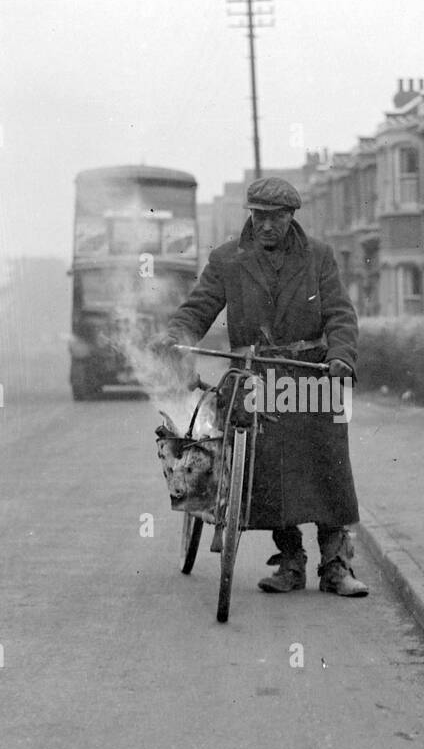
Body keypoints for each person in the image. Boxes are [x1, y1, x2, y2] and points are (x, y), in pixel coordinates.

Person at [155, 176, 369, 596]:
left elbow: (341, 315)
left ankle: (336, 565)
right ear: (251, 215)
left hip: (311, 375)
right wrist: (175, 335)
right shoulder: (227, 260)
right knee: (266, 465)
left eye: (277, 217)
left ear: (291, 217)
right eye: (260, 216)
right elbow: (197, 311)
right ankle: (290, 563)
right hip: (254, 375)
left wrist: (340, 357)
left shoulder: (319, 258)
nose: (268, 225)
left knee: (329, 459)